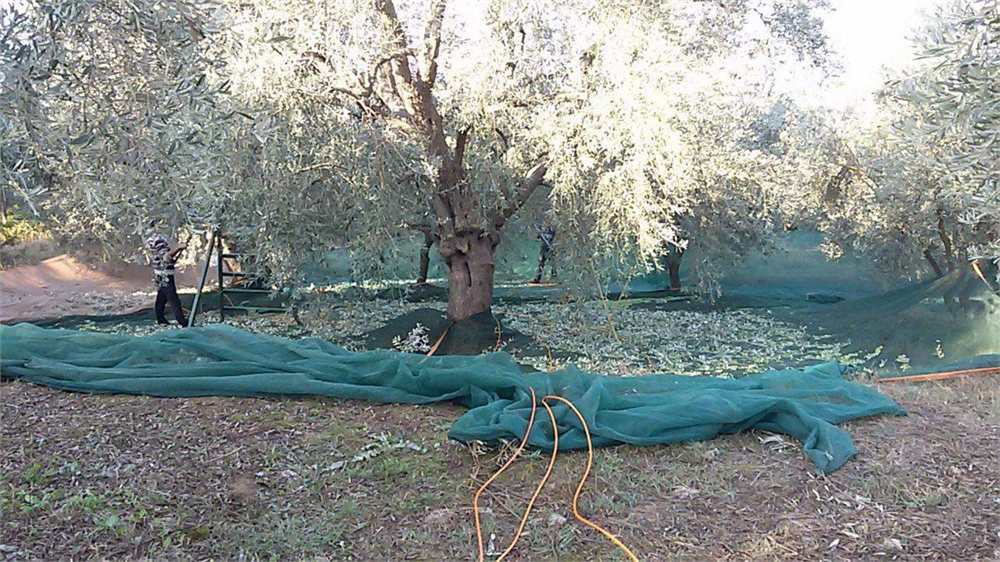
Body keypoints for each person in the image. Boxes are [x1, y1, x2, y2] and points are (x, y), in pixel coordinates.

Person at [145, 233, 188, 326]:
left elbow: (169, 260)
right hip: (166, 277)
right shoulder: (159, 246)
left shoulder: (152, 247)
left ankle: (161, 319)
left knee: (161, 299)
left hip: (160, 276)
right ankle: (182, 321)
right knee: (174, 301)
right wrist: (178, 248)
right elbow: (167, 258)